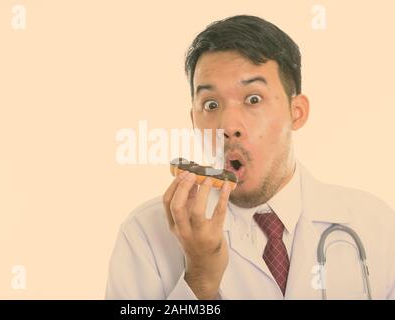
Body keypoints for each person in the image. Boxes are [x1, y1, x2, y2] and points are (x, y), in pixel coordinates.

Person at [105, 15, 395, 299]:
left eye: (253, 99)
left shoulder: (377, 226)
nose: (228, 126)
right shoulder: (145, 233)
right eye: (211, 104)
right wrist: (200, 282)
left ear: (297, 112)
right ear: (194, 121)